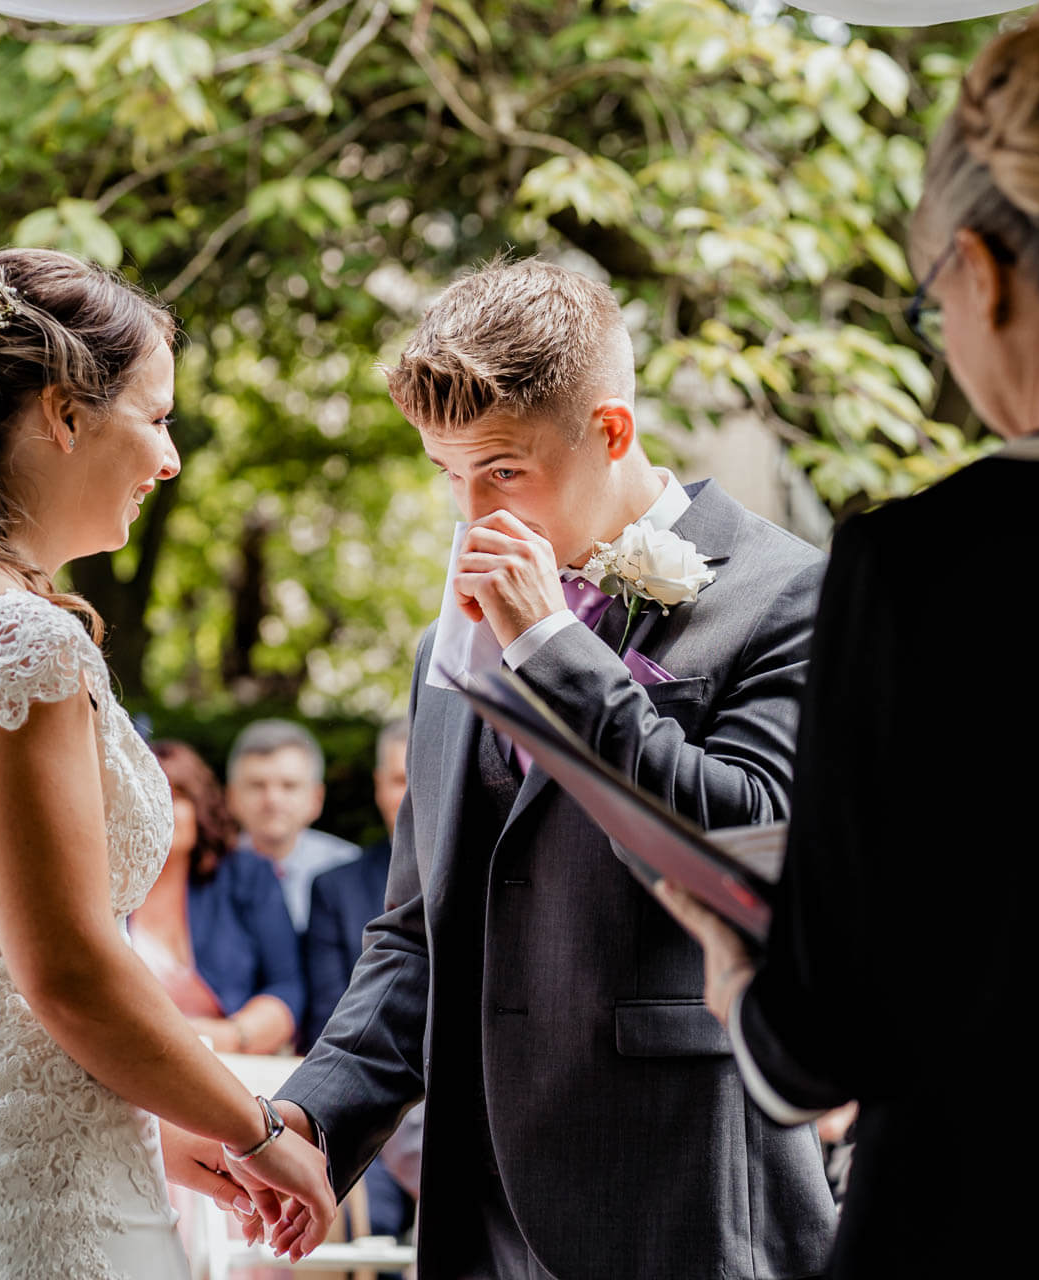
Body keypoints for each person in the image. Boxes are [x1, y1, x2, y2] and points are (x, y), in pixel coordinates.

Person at [658, 3, 1039, 1276]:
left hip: (976, 1225)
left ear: (977, 269)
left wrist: (732, 957)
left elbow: (818, 1043)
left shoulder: (918, 566)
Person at [273, 259, 837, 1278]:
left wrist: (553, 652)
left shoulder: (787, 592)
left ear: (610, 430)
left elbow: (752, 846)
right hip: (479, 1204)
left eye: (501, 470)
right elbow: (414, 928)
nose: (471, 515)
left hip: (687, 1199)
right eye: (449, 476)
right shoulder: (446, 638)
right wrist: (311, 1120)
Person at [0, 248, 333, 1279]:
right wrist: (259, 1127)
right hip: (20, 1199)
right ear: (65, 412)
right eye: (157, 413)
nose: (170, 456)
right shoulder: (17, 639)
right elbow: (67, 969)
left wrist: (160, 1115)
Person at [301, 718, 418, 1242]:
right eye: (399, 778)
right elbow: (330, 1008)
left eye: (424, 774)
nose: (414, 793)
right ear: (377, 784)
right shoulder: (337, 887)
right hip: (372, 1087)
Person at [128, 739, 303, 1055]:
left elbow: (287, 986)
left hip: (226, 1058)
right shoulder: (106, 885)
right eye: (149, 795)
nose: (163, 808)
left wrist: (232, 1035)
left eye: (178, 796)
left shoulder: (248, 876)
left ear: (200, 807)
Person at [225, 721, 358, 932]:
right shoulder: (210, 872)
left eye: (289, 786)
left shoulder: (350, 870)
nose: (272, 799)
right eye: (257, 785)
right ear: (231, 797)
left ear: (316, 798)